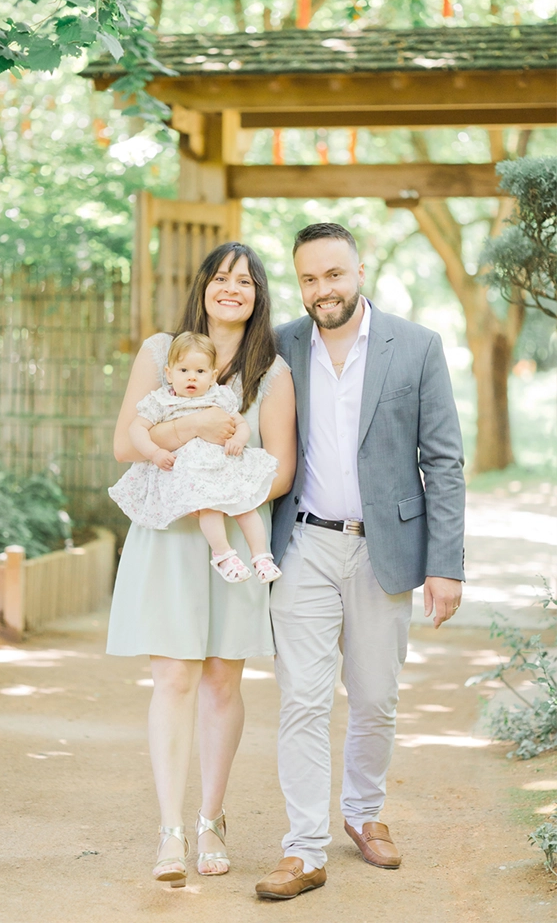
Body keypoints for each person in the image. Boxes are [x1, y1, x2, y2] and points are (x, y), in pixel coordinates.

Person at [255, 222, 465, 900]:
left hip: (386, 547)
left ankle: (364, 813)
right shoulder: (280, 344)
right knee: (302, 702)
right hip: (304, 543)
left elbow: (444, 462)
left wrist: (446, 563)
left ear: (359, 270)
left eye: (333, 274)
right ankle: (303, 848)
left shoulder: (417, 346)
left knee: (375, 698)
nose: (323, 290)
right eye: (309, 279)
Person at [107, 243, 296, 887]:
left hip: (235, 539)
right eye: (221, 277)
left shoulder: (272, 371)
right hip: (169, 535)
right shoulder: (161, 352)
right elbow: (123, 442)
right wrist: (193, 430)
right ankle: (169, 832)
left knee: (221, 682)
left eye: (244, 280)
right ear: (204, 286)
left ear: (258, 294)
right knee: (174, 681)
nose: (231, 288)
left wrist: (221, 489)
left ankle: (211, 818)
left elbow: (281, 469)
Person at [108, 331, 282, 584]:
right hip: (191, 474)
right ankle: (224, 555)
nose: (191, 376)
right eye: (183, 370)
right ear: (169, 374)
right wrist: (154, 452)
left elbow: (242, 424)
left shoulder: (219, 397)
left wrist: (237, 440)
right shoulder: (161, 402)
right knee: (209, 509)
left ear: (212, 376)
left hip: (223, 467)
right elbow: (136, 429)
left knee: (246, 506)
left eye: (200, 372)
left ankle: (261, 557)